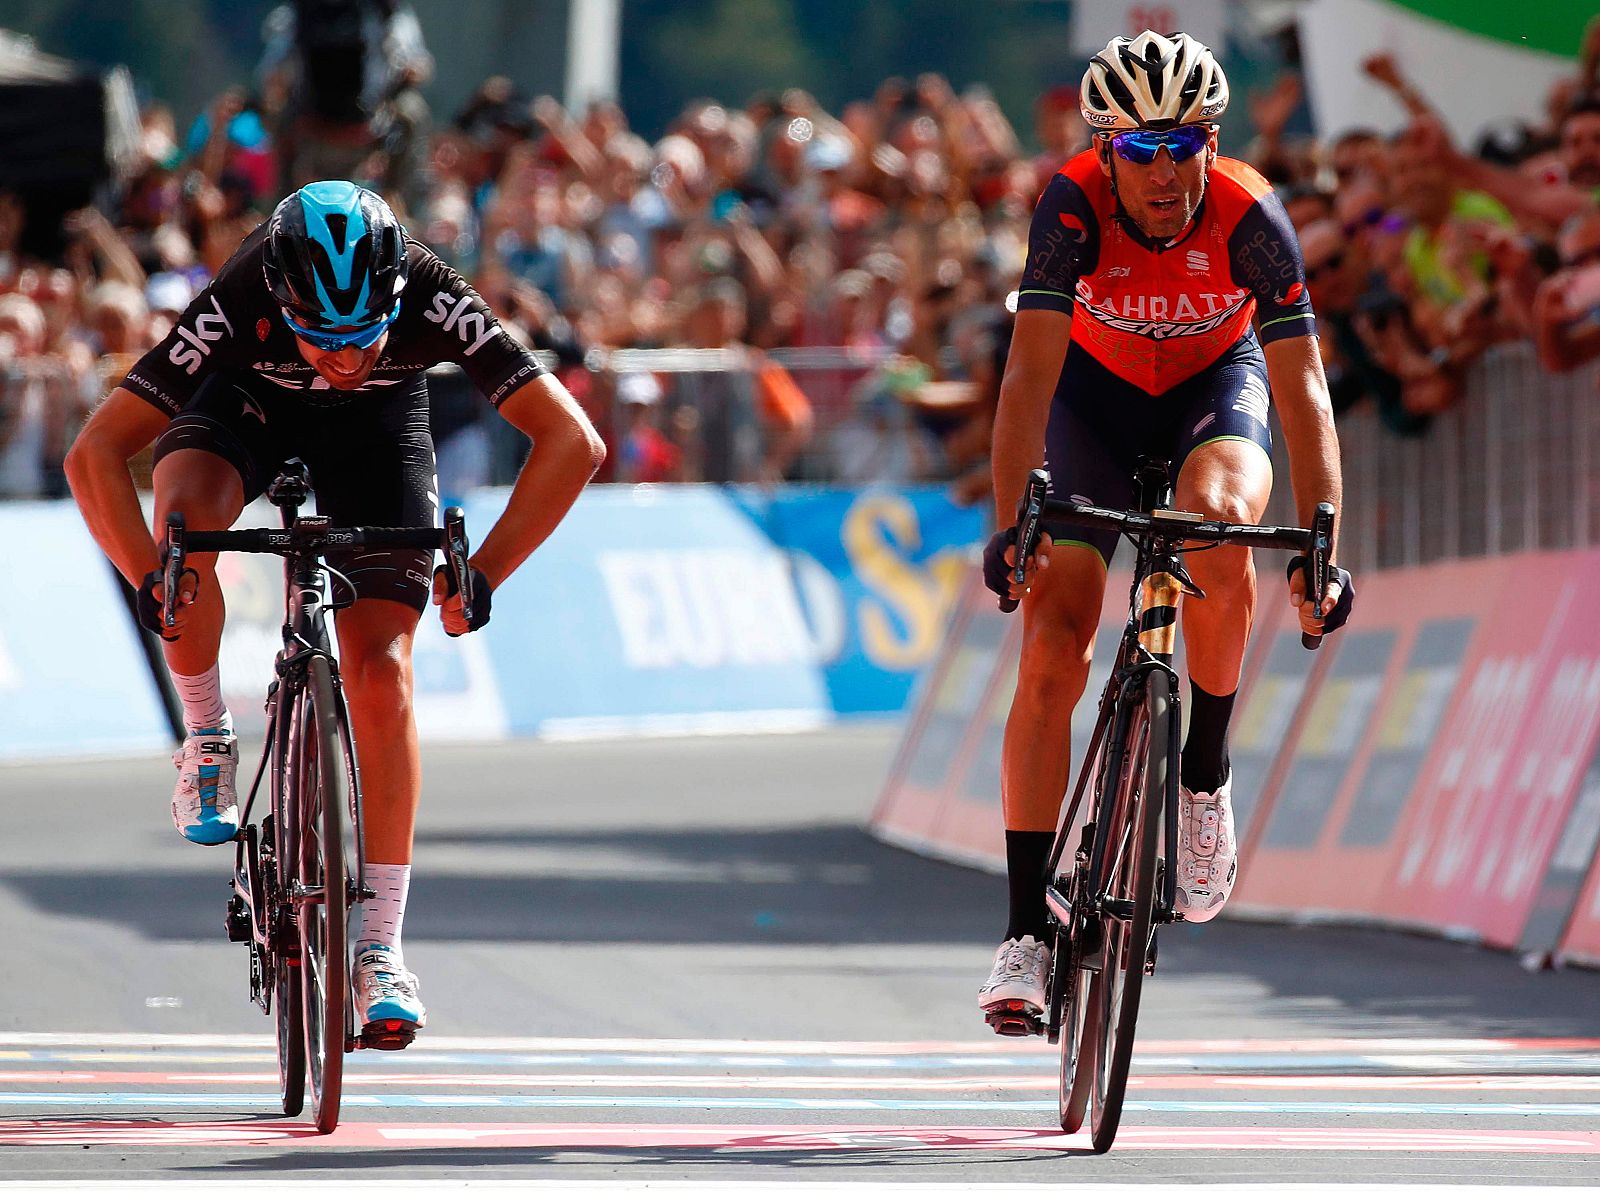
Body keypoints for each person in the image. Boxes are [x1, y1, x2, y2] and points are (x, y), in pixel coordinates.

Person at [65, 181, 605, 1046]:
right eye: (323, 339)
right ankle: (205, 733)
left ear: (398, 298)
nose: (345, 359)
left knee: (383, 669)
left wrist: (486, 574)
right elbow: (94, 452)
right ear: (282, 299)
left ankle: (380, 947)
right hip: (241, 407)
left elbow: (574, 440)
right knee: (185, 533)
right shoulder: (239, 295)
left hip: (376, 437)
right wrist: (153, 582)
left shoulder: (432, 291)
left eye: (365, 337)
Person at [976, 32, 1353, 1026]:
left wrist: (1320, 542)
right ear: (1105, 152)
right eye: (1138, 152)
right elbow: (1025, 377)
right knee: (1052, 646)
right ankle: (1023, 933)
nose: (1161, 171)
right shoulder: (1068, 205)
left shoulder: (1248, 211)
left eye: (1179, 146)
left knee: (1220, 526)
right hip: (1090, 404)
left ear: (1209, 140)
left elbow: (1303, 386)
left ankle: (1201, 776)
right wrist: (1012, 517)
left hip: (1209, 394)